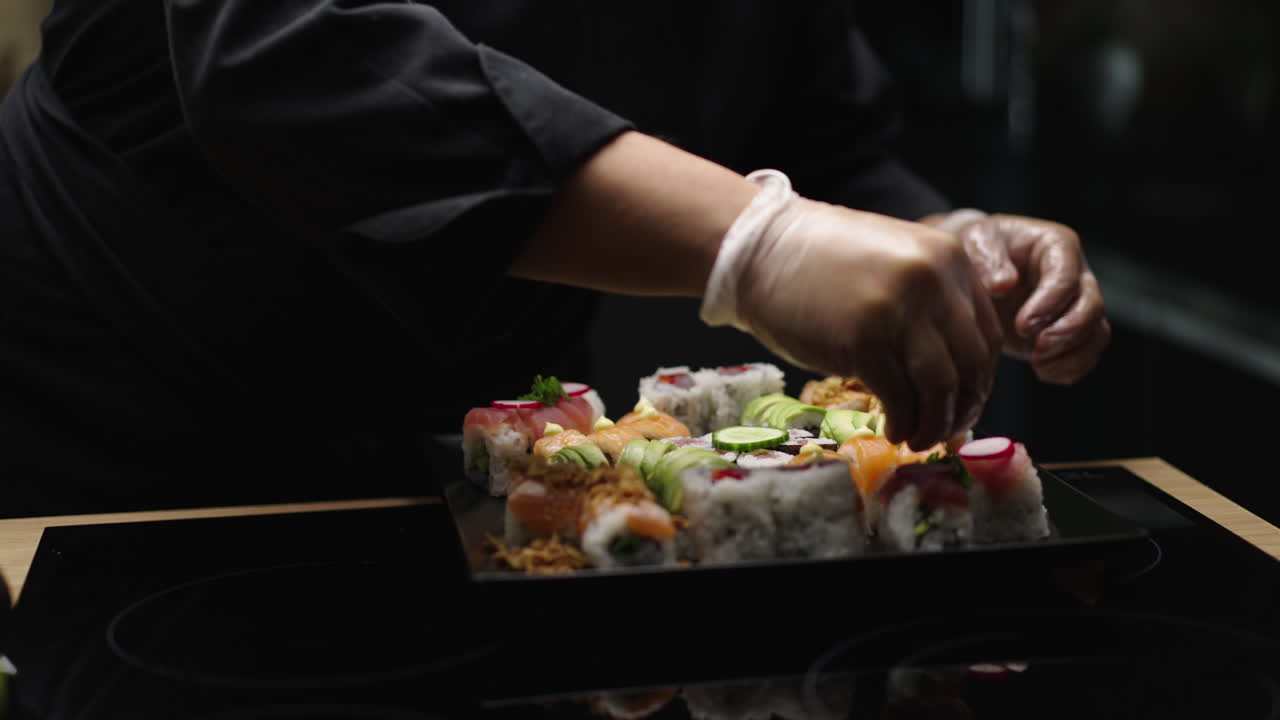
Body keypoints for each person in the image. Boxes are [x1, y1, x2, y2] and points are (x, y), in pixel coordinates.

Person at [0, 0, 1107, 512]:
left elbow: (819, 133)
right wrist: (760, 245)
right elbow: (277, 48)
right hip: (119, 387)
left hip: (444, 438)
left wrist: (940, 241)